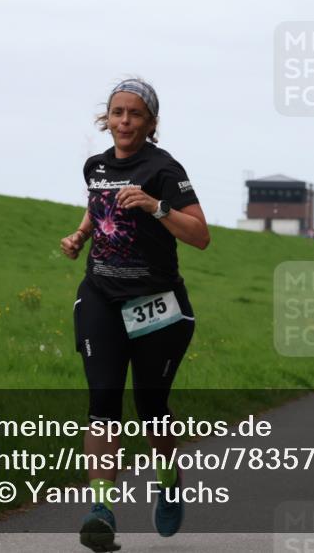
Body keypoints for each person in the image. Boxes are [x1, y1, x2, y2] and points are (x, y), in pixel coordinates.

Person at [61, 78, 211, 550]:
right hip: (101, 296)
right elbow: (96, 204)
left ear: (150, 122)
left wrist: (155, 205)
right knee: (102, 401)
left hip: (157, 305)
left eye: (135, 114)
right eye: (117, 113)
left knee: (150, 409)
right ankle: (101, 510)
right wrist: (81, 235)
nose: (124, 122)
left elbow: (200, 235)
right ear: (106, 118)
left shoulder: (164, 169)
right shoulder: (96, 166)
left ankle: (168, 480)